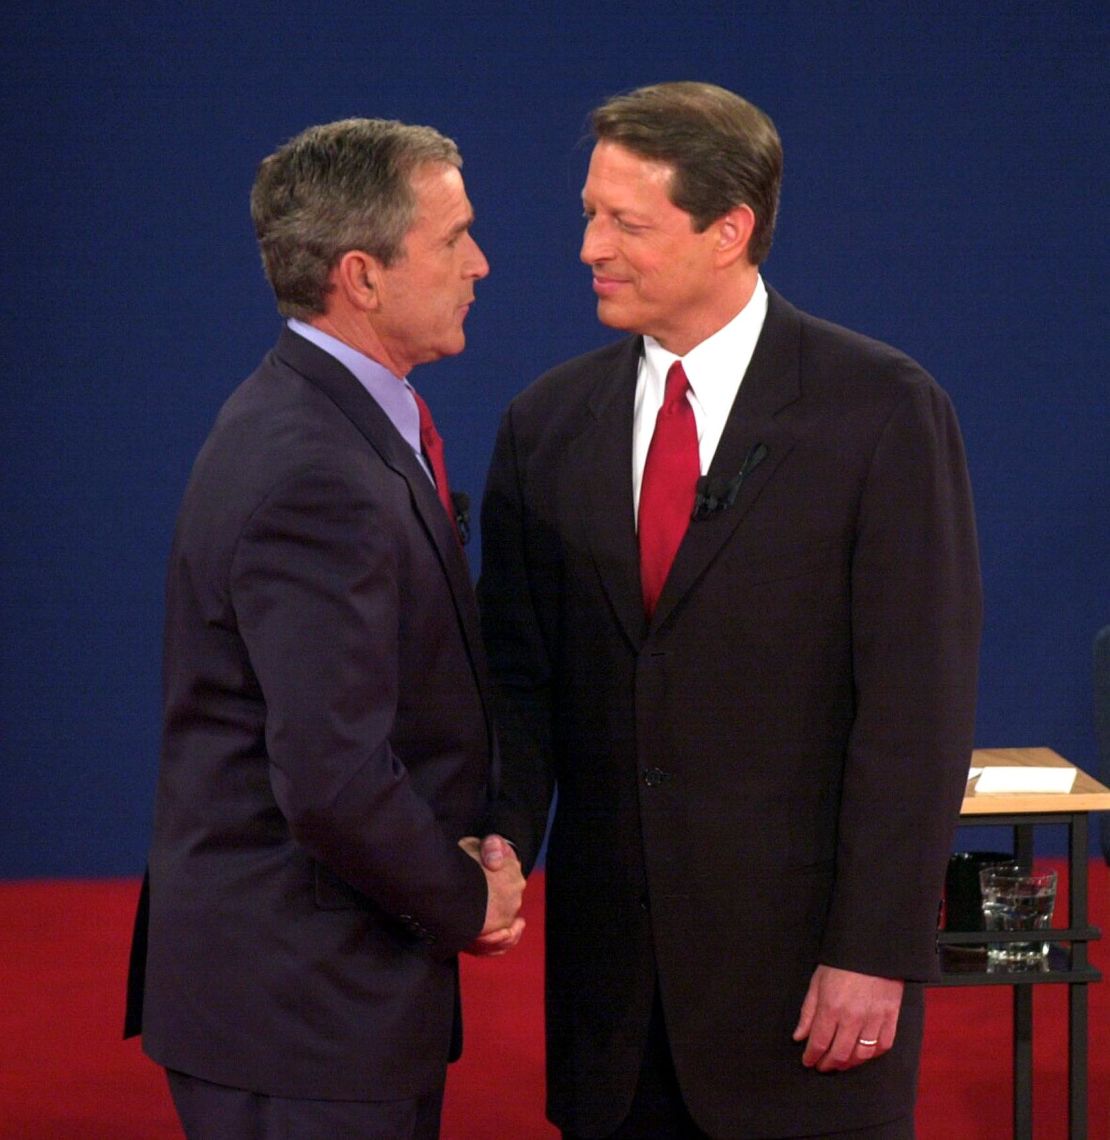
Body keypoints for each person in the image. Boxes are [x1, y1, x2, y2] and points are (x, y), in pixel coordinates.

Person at [477, 82, 981, 1139]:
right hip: (613, 1005)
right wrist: (503, 839)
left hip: (808, 993)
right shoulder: (546, 426)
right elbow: (519, 680)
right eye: (588, 212)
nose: (588, 248)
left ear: (729, 230)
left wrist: (874, 950)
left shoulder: (881, 411)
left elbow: (914, 709)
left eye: (626, 222)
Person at [124, 117, 525, 1140]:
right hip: (301, 1011)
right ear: (364, 275)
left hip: (314, 998)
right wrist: (465, 899)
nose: (481, 263)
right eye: (455, 238)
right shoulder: (316, 468)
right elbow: (333, 772)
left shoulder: (316, 422)